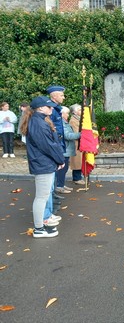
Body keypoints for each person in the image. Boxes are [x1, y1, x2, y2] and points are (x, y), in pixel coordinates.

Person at [20, 96, 65, 238]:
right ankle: (39, 229)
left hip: (44, 163)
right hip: (43, 163)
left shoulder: (38, 120)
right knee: (41, 197)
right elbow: (48, 146)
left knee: (42, 197)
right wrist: (60, 159)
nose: (52, 108)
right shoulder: (38, 122)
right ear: (40, 108)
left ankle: (40, 226)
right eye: (49, 106)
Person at [47, 85, 68, 195]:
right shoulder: (52, 110)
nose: (63, 97)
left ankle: (54, 194)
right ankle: (52, 194)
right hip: (56, 143)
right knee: (55, 170)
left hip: (59, 142)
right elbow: (52, 129)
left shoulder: (56, 109)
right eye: (61, 95)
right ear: (54, 96)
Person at [60, 106, 81, 192]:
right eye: (67, 113)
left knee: (64, 169)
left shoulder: (65, 122)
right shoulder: (65, 122)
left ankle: (61, 185)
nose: (68, 115)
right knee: (62, 169)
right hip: (67, 148)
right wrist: (81, 134)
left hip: (68, 148)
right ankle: (59, 186)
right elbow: (68, 135)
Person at [69, 104, 85, 185]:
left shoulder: (79, 119)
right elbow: (76, 133)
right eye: (79, 110)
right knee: (77, 161)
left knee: (80, 161)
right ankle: (77, 178)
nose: (81, 111)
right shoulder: (73, 120)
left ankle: (79, 177)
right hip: (76, 144)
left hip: (80, 143)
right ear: (74, 112)